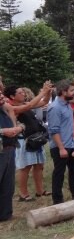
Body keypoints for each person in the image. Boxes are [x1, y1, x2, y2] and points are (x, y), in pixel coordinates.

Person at [47, 80, 74, 204]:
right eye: (71, 91)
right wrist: (61, 148)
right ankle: (57, 200)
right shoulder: (55, 107)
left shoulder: (66, 104)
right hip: (60, 146)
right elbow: (54, 130)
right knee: (59, 173)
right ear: (63, 92)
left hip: (71, 144)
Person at [0, 92, 24, 221]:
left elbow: (20, 123)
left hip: (10, 149)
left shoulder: (6, 109)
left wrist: (19, 128)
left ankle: (5, 214)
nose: (1, 95)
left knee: (8, 185)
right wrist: (4, 131)